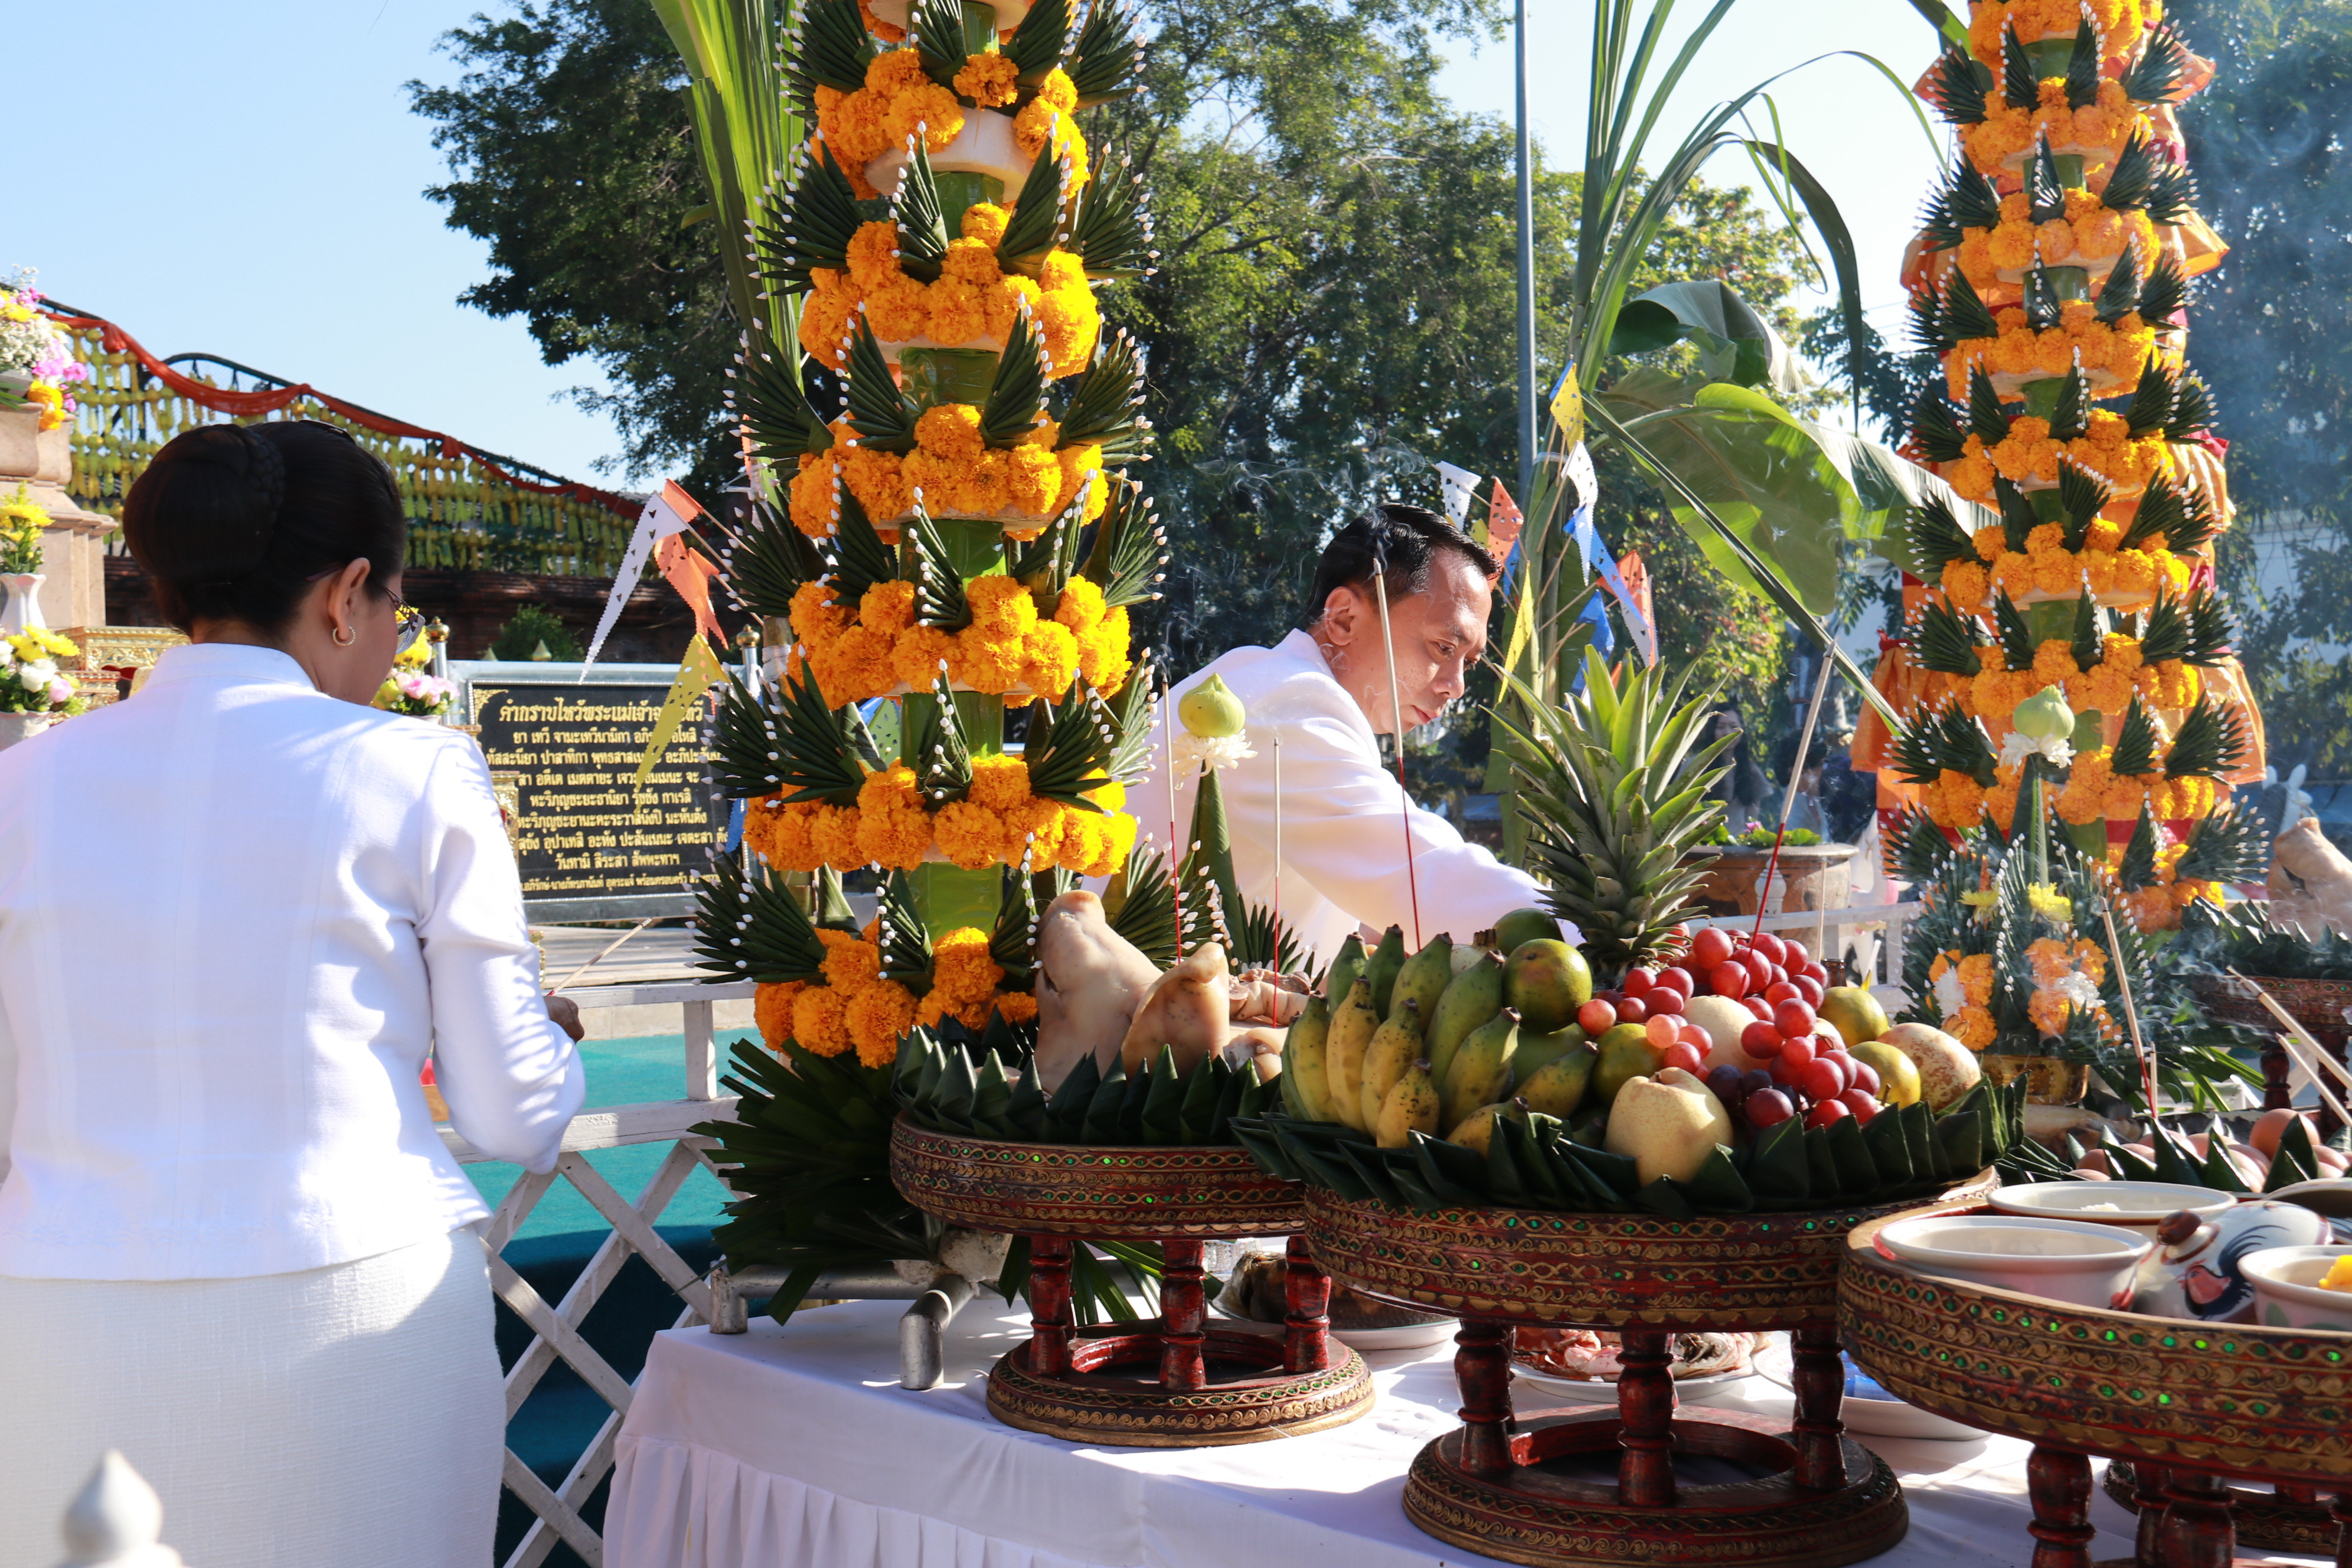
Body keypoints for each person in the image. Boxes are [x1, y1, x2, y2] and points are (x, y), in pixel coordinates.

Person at [0, 422, 586, 1567]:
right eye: (394, 605)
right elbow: (518, 1111)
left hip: (60, 1310)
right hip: (350, 1303)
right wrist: (546, 1031)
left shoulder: (23, 781)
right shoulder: (415, 768)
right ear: (348, 591)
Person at [1138, 503, 1557, 969]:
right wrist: (1598, 944)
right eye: (1443, 647)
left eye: (1469, 663)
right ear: (1343, 618)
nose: (1455, 686)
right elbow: (1421, 870)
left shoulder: (1261, 677)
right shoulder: (1286, 703)